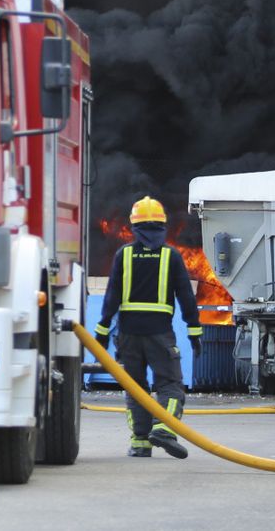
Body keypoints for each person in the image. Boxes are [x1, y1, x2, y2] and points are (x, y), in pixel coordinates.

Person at [93, 196, 202, 459]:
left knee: (135, 388)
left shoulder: (125, 255)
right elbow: (186, 296)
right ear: (163, 226)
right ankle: (164, 427)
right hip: (160, 335)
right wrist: (194, 331)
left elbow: (111, 297)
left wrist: (102, 332)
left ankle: (140, 442)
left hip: (128, 336)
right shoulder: (171, 256)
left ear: (134, 227)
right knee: (170, 384)